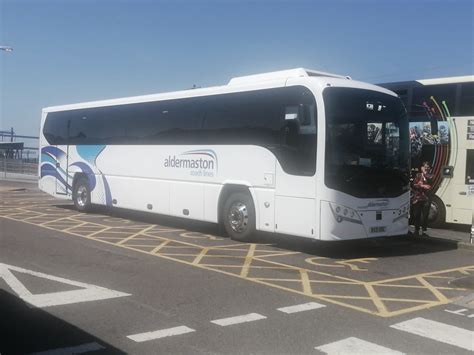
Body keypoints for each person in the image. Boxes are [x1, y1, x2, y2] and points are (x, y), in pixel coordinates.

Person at [411, 162, 432, 236]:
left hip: (426, 198)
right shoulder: (418, 175)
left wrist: (424, 173)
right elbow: (414, 184)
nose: (426, 168)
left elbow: (429, 186)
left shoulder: (431, 175)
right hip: (417, 198)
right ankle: (416, 230)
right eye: (425, 167)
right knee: (417, 215)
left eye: (428, 167)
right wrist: (422, 186)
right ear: (422, 167)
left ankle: (424, 231)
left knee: (425, 215)